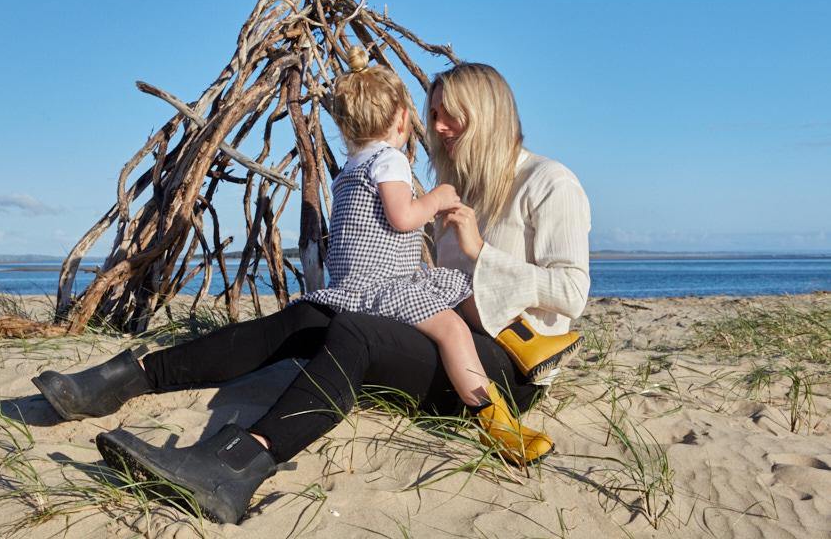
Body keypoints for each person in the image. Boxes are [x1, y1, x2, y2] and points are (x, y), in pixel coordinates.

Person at [31, 61, 591, 525]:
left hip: (508, 366)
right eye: (434, 116)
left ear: (486, 116)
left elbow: (572, 293)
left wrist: (479, 253)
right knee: (312, 315)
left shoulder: (550, 183)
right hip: (447, 338)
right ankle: (129, 379)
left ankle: (237, 464)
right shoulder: (458, 187)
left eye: (450, 117)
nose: (437, 128)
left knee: (356, 329)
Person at [296, 46, 491, 411]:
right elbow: (402, 217)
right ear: (403, 119)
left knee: (455, 287)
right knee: (454, 329)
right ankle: (488, 409)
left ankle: (515, 354)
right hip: (384, 287)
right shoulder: (390, 160)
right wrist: (435, 200)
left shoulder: (350, 170)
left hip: (351, 288)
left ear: (344, 126)